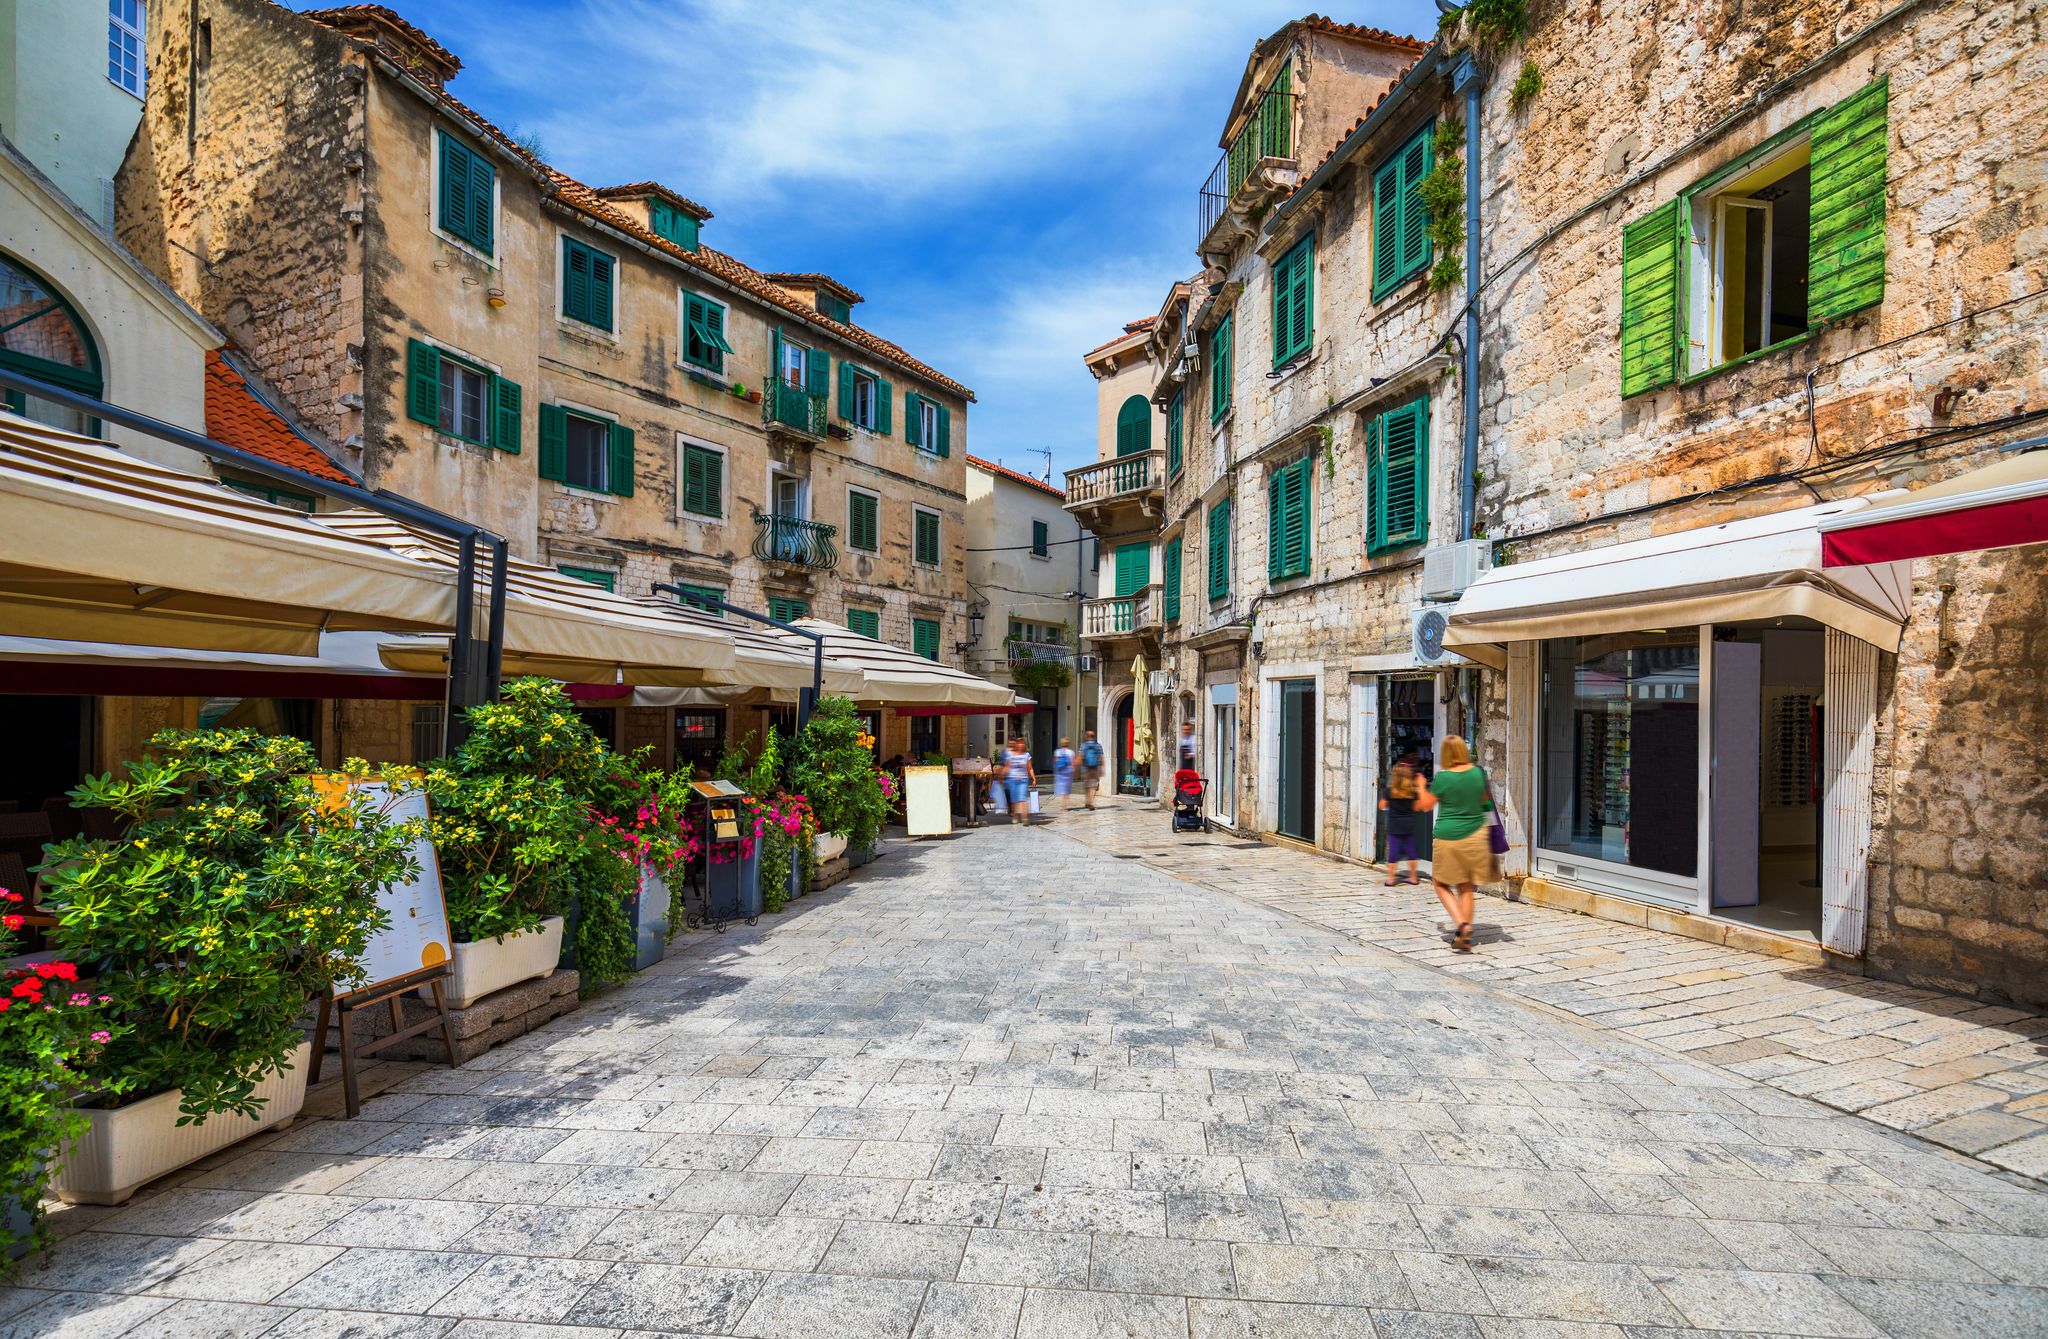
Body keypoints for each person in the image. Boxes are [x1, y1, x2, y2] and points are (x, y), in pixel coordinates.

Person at [1414, 735, 1496, 954]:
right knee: (1465, 885)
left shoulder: (1443, 778)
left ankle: (1462, 924)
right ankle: (1464, 938)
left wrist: (1422, 786)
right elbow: (1485, 801)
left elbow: (1424, 806)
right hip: (1476, 835)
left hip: (1448, 837)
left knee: (1440, 883)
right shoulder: (1479, 774)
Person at [1378, 761, 1421, 889]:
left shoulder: (1389, 792)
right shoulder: (1413, 793)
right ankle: (1413, 877)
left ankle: (1390, 879)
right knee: (1411, 851)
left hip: (1394, 825)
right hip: (1408, 824)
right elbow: (1417, 807)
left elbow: (1381, 806)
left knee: (1393, 852)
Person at [1002, 736, 1036, 826]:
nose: (1021, 744)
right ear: (1017, 744)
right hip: (1012, 779)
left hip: (1023, 780)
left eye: (1022, 743)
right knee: (1014, 800)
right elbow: (1007, 767)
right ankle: (1014, 816)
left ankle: (1025, 818)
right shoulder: (1010, 754)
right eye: (1019, 743)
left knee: (1022, 798)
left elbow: (1030, 768)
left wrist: (1033, 778)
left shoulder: (1026, 755)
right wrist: (1000, 776)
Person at [1079, 729, 1105, 809]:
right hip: (1095, 768)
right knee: (1093, 786)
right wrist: (1102, 768)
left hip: (1086, 768)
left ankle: (1088, 801)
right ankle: (1090, 802)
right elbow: (1101, 758)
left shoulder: (1084, 745)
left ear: (1087, 736)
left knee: (1087, 786)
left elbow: (1081, 756)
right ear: (1094, 737)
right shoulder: (1098, 745)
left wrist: (1077, 769)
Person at [1052, 737, 1077, 811]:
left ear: (1061, 744)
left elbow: (1055, 761)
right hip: (1068, 772)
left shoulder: (1057, 751)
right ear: (1068, 744)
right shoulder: (1071, 752)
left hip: (1060, 772)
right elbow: (1073, 763)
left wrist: (1055, 771)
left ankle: (1063, 805)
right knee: (1067, 789)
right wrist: (1074, 771)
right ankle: (1065, 806)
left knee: (1062, 788)